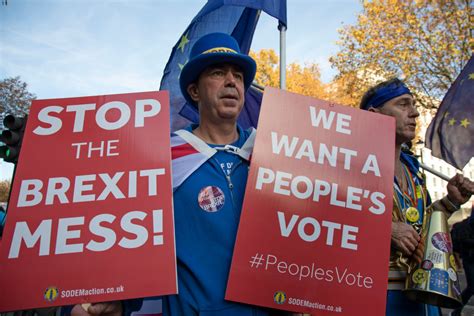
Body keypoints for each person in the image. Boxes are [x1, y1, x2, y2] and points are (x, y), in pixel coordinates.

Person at [70, 33, 283, 316]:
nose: (232, 82)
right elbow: (133, 241)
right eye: (218, 73)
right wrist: (119, 301)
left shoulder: (273, 152)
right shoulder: (161, 158)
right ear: (194, 92)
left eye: (238, 76)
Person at [360, 78, 474, 316]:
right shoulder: (350, 163)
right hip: (375, 296)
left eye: (413, 105)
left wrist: (450, 202)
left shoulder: (413, 171)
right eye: (403, 104)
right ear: (374, 115)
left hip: (422, 294)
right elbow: (327, 220)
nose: (414, 113)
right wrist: (385, 229)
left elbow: (420, 229)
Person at [451, 206, 474, 315]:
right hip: (470, 258)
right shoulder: (469, 224)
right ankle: (456, 310)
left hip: (468, 256)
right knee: (472, 287)